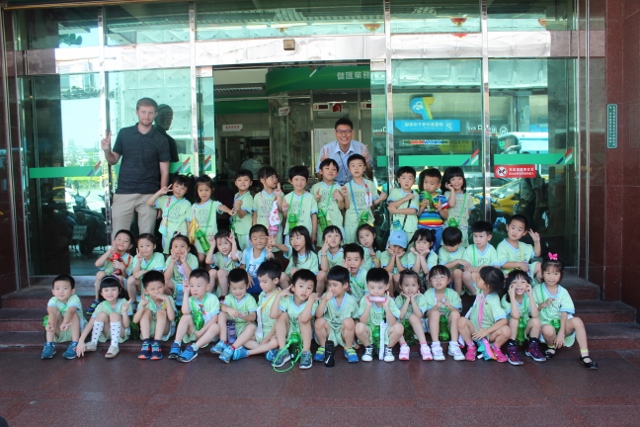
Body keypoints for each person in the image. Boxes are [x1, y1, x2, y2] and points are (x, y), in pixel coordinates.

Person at [102, 97, 171, 238]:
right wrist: (106, 150)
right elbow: (113, 160)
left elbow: (164, 172)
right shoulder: (124, 133)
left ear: (155, 114)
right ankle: (119, 261)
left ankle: (143, 261)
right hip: (124, 192)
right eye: (143, 112)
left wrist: (161, 201)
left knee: (147, 239)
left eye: (150, 113)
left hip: (149, 195)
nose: (147, 116)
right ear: (137, 112)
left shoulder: (161, 139)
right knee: (119, 238)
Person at [533, 255, 598, 369]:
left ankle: (584, 355)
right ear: (542, 273)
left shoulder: (563, 292)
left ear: (561, 275)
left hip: (561, 325)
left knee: (577, 321)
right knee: (548, 329)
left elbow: (564, 313)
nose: (551, 277)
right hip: (545, 325)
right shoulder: (537, 289)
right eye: (548, 273)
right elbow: (532, 310)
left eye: (556, 274)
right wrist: (543, 304)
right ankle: (551, 347)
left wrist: (561, 333)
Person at [230, 260, 282, 362]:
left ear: (275, 280)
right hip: (261, 330)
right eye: (260, 281)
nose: (261, 285)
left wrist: (267, 338)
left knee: (275, 342)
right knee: (243, 339)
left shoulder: (279, 297)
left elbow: (279, 323)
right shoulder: (262, 295)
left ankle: (248, 353)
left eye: (264, 282)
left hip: (273, 332)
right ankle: (266, 351)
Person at [457, 267, 510, 363]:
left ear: (487, 286)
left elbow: (503, 321)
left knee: (506, 330)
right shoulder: (480, 291)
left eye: (480, 278)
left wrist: (485, 332)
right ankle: (471, 346)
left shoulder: (494, 300)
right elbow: (473, 275)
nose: (477, 278)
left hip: (488, 333)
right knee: (461, 321)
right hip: (475, 330)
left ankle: (495, 348)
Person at [169, 268, 222, 363]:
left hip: (207, 334)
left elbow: (214, 318)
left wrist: (202, 331)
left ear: (207, 287)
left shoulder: (212, 299)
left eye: (198, 286)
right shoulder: (190, 299)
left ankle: (193, 348)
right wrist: (186, 293)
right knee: (186, 317)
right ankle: (177, 344)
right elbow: (185, 312)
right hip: (193, 332)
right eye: (192, 286)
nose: (194, 289)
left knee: (216, 326)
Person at [270, 269, 319, 370]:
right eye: (301, 286)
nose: (304, 290)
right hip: (289, 334)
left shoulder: (312, 302)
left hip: (304, 337)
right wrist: (278, 296)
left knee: (303, 318)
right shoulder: (287, 300)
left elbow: (305, 318)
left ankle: (306, 352)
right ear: (292, 288)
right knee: (281, 315)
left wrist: (310, 300)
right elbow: (273, 315)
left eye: (309, 288)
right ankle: (283, 350)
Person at [355, 268, 404, 363]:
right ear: (367, 286)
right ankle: (369, 348)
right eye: (372, 288)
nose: (376, 291)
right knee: (359, 326)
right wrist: (368, 306)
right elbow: (362, 321)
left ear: (387, 287)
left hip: (386, 332)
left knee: (399, 327)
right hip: (370, 331)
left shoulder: (390, 301)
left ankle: (388, 349)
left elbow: (393, 322)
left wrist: (386, 306)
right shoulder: (365, 300)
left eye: (380, 288)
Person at [75, 276, 130, 359]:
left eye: (113, 289)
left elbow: (126, 325)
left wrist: (124, 312)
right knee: (101, 314)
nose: (110, 293)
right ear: (101, 293)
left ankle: (114, 346)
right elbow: (90, 323)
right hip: (106, 332)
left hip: (120, 334)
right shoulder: (101, 305)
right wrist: (81, 341)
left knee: (114, 315)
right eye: (106, 290)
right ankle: (93, 343)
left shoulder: (124, 302)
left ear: (119, 290)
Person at [210, 268, 258, 363]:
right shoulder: (229, 297)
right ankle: (223, 342)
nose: (237, 291)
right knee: (222, 314)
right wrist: (228, 309)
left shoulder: (250, 299)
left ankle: (232, 348)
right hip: (230, 330)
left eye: (241, 288)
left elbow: (253, 317)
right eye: (234, 288)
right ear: (229, 286)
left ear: (247, 285)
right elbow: (222, 307)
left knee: (252, 327)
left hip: (243, 329)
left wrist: (244, 316)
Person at [314, 266, 359, 363]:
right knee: (319, 322)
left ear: (345, 285)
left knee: (349, 321)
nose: (331, 288)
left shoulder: (351, 301)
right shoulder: (326, 298)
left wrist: (355, 339)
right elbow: (318, 315)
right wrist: (325, 299)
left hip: (343, 332)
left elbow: (356, 318)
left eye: (335, 285)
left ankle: (348, 347)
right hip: (329, 331)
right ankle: (323, 347)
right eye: (329, 285)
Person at [502, 270, 545, 366]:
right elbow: (515, 315)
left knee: (536, 321)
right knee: (514, 320)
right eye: (515, 282)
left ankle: (532, 347)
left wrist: (530, 296)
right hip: (512, 331)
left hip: (524, 330)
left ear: (528, 285)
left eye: (523, 282)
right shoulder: (506, 298)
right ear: (509, 285)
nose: (519, 285)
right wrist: (512, 297)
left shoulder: (527, 296)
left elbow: (534, 314)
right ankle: (511, 349)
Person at [189, 175, 234, 263]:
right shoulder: (194, 206)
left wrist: (229, 211)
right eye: (201, 190)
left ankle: (209, 274)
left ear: (212, 190)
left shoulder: (214, 204)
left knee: (210, 259)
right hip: (199, 237)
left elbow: (221, 207)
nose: (204, 193)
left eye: (206, 190)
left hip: (211, 237)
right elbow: (190, 221)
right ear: (197, 191)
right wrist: (189, 236)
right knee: (200, 258)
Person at [342, 154, 386, 244]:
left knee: (367, 245)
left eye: (359, 165)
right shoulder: (346, 186)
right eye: (353, 166)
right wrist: (346, 196)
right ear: (349, 169)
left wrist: (380, 199)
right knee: (352, 245)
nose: (356, 168)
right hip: (351, 221)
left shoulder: (369, 184)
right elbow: (346, 207)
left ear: (364, 168)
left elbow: (373, 203)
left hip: (367, 220)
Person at [87, 229, 134, 315]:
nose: (121, 242)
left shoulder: (130, 258)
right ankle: (97, 299)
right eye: (119, 239)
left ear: (130, 246)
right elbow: (97, 264)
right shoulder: (109, 254)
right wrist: (110, 251)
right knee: (100, 274)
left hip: (120, 279)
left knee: (120, 278)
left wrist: (122, 269)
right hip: (108, 278)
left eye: (125, 241)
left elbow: (127, 276)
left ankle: (119, 300)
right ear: (114, 241)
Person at [133, 270, 176, 360]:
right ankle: (146, 343)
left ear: (164, 286)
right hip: (148, 331)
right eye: (152, 289)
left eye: (159, 288)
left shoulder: (168, 299)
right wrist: (142, 307)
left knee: (161, 312)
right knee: (146, 311)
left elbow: (171, 318)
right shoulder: (145, 300)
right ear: (146, 291)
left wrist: (167, 300)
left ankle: (156, 344)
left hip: (164, 331)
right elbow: (135, 320)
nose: (156, 291)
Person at [41, 275, 86, 360]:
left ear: (72, 291)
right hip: (59, 331)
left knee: (74, 314)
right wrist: (50, 324)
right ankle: (49, 345)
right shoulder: (53, 300)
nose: (61, 291)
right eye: (57, 289)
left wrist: (65, 322)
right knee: (53, 315)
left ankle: (74, 344)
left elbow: (70, 311)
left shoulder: (74, 298)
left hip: (74, 331)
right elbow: (52, 312)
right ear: (53, 291)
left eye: (65, 288)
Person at [424, 265, 464, 361]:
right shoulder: (428, 294)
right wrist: (435, 307)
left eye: (442, 277)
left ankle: (454, 345)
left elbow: (457, 313)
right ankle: (435, 345)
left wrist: (449, 306)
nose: (438, 280)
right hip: (432, 326)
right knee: (434, 313)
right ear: (430, 281)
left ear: (449, 280)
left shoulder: (452, 294)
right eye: (434, 277)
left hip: (448, 326)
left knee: (454, 314)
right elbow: (425, 314)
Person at [316, 118, 372, 185]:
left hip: (355, 187)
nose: (344, 135)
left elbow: (370, 176)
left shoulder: (361, 148)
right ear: (335, 133)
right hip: (333, 188)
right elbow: (319, 178)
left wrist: (367, 163)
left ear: (352, 133)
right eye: (340, 131)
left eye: (347, 131)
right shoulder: (326, 150)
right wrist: (324, 166)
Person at [147, 175, 192, 254]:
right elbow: (149, 202)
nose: (178, 190)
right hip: (168, 233)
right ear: (172, 186)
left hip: (182, 234)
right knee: (167, 253)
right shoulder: (166, 199)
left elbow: (189, 222)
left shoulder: (187, 204)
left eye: (183, 188)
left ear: (187, 191)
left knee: (181, 254)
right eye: (177, 186)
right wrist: (160, 192)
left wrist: (189, 236)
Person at [394, 270, 431, 361]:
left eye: (413, 285)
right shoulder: (399, 299)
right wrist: (407, 300)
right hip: (403, 329)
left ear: (418, 286)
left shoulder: (421, 297)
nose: (410, 289)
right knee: (395, 321)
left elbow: (419, 315)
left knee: (413, 316)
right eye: (406, 285)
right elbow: (400, 316)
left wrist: (413, 300)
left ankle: (424, 346)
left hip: (418, 327)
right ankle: (403, 346)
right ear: (400, 286)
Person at [497, 214, 542, 282]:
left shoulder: (523, 246)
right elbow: (503, 264)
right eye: (513, 228)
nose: (515, 232)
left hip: (525, 272)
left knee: (539, 265)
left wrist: (536, 242)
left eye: (519, 230)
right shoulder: (502, 246)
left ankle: (540, 289)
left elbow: (536, 254)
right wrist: (520, 264)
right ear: (507, 227)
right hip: (510, 274)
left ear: (524, 233)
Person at [311, 158, 345, 245]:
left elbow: (342, 208)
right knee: (321, 246)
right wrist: (315, 200)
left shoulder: (340, 188)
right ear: (321, 171)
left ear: (337, 173)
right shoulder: (315, 187)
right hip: (321, 224)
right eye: (327, 168)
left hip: (336, 223)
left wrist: (340, 199)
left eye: (334, 169)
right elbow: (310, 208)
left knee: (337, 247)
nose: (330, 171)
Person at [461, 221, 500, 295]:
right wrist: (477, 269)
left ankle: (487, 293)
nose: (477, 239)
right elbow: (465, 267)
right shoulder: (470, 249)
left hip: (487, 276)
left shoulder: (491, 249)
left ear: (489, 237)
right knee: (465, 274)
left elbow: (496, 266)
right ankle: (474, 294)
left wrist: (486, 270)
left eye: (481, 236)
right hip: (474, 276)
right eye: (475, 236)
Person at [126, 233, 165, 306]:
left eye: (148, 246)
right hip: (141, 285)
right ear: (137, 248)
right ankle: (133, 302)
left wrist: (143, 272)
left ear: (154, 246)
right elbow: (135, 275)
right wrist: (139, 262)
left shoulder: (159, 256)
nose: (145, 248)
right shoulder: (136, 258)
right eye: (141, 246)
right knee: (130, 279)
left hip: (155, 284)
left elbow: (158, 274)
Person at [282, 165, 318, 244]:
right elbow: (285, 216)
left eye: (302, 179)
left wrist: (314, 234)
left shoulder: (310, 198)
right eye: (296, 179)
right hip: (291, 233)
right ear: (290, 181)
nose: (299, 182)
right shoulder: (287, 198)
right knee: (291, 254)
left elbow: (314, 216)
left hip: (306, 233)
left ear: (306, 180)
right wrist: (285, 210)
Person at [163, 235, 199, 308]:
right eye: (176, 246)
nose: (179, 249)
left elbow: (192, 277)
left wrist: (184, 262)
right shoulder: (170, 258)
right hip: (175, 284)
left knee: (195, 284)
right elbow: (166, 277)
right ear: (171, 250)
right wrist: (172, 262)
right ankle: (172, 300)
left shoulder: (192, 258)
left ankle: (189, 302)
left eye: (182, 246)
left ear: (188, 249)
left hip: (188, 284)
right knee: (164, 282)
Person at [442, 167, 474, 247]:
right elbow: (451, 204)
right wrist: (452, 190)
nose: (457, 182)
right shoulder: (447, 194)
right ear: (448, 182)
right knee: (448, 249)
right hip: (449, 229)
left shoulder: (468, 196)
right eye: (453, 179)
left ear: (463, 179)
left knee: (462, 251)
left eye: (459, 178)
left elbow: (469, 212)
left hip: (462, 229)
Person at [417, 168, 448, 250]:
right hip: (422, 228)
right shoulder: (419, 197)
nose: (427, 185)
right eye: (425, 182)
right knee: (421, 250)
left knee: (434, 250)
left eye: (431, 183)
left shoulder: (441, 198)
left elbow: (445, 216)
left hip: (437, 229)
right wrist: (422, 206)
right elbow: (417, 214)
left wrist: (440, 209)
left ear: (438, 185)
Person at [205, 229, 242, 297]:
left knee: (221, 272)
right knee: (212, 272)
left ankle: (223, 297)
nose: (223, 247)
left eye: (226, 243)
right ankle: (206, 296)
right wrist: (212, 246)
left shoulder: (237, 252)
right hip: (222, 281)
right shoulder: (218, 255)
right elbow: (208, 261)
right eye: (219, 244)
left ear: (230, 242)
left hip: (234, 280)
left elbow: (234, 257)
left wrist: (234, 242)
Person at [252, 166, 284, 245]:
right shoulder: (257, 196)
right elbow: (255, 214)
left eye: (275, 177)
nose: (275, 179)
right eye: (271, 177)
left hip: (276, 230)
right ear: (262, 180)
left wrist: (278, 196)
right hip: (261, 232)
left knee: (276, 251)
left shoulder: (280, 194)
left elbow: (281, 209)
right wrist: (254, 228)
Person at [387, 166, 419, 242]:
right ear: (398, 180)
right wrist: (405, 198)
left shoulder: (415, 194)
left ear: (414, 181)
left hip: (410, 227)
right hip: (396, 227)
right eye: (404, 178)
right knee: (394, 248)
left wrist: (396, 211)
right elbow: (391, 206)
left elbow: (413, 211)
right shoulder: (395, 192)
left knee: (408, 249)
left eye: (410, 178)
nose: (407, 181)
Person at [379, 229, 415, 296]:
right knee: (389, 275)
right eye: (394, 246)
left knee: (397, 276)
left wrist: (397, 258)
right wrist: (393, 257)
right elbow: (387, 271)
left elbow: (402, 272)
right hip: (387, 286)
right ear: (389, 244)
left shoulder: (406, 255)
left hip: (400, 284)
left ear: (404, 248)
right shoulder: (384, 254)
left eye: (400, 247)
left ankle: (402, 297)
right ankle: (391, 298)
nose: (397, 249)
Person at [241, 224, 274, 295]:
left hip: (261, 282)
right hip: (248, 281)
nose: (258, 241)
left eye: (261, 238)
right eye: (255, 239)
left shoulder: (268, 253)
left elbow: (272, 270)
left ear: (267, 238)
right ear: (250, 240)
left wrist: (269, 252)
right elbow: (242, 266)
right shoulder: (246, 252)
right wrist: (246, 274)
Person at [438, 226, 467, 296]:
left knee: (458, 272)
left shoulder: (463, 250)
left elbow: (465, 266)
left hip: (459, 275)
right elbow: (443, 266)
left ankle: (458, 297)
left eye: (452, 246)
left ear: (460, 243)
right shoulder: (442, 250)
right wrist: (457, 261)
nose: (448, 248)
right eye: (446, 245)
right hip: (446, 274)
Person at [231, 169, 254, 251]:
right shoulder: (236, 195)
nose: (242, 182)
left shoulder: (249, 198)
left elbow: (241, 215)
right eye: (239, 180)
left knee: (248, 252)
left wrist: (238, 208)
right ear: (235, 183)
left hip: (246, 231)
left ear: (251, 183)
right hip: (238, 230)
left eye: (246, 180)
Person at [317, 225, 344, 295]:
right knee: (321, 274)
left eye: (336, 235)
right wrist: (323, 252)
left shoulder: (344, 253)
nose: (333, 238)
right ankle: (317, 298)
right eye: (329, 236)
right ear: (324, 239)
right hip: (327, 280)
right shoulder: (321, 252)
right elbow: (324, 269)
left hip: (339, 279)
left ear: (341, 239)